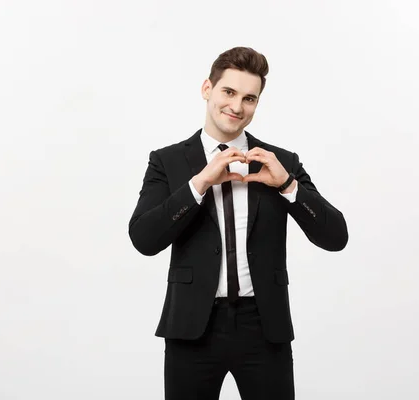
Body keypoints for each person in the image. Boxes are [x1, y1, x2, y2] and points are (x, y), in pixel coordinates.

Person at [128, 46, 348, 400]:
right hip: (191, 327)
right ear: (207, 89)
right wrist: (199, 183)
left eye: (249, 98)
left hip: (263, 326)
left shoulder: (280, 161)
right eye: (228, 92)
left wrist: (287, 185)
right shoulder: (167, 161)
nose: (237, 106)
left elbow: (336, 236)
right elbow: (144, 238)